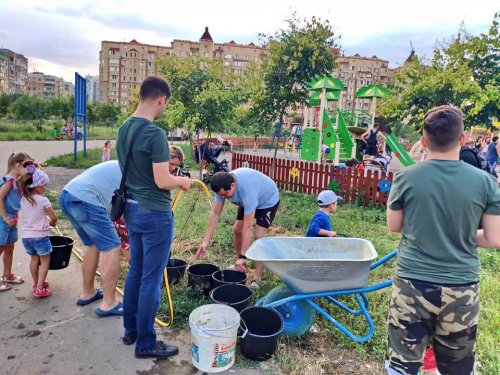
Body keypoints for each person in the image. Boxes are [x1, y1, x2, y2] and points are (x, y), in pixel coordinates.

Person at [385, 105, 500, 375]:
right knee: (457, 367)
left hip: (412, 284)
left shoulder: (405, 177)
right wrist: (459, 233)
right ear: (462, 139)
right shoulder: (485, 182)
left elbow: (394, 226)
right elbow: (495, 238)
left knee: (403, 361)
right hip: (461, 287)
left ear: (424, 141)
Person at [116, 76, 191, 358]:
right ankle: (146, 343)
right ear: (161, 99)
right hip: (154, 213)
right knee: (151, 279)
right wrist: (181, 182)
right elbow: (162, 180)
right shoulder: (155, 134)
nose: (163, 109)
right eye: (165, 104)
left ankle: (131, 330)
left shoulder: (123, 128)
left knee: (135, 272)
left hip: (131, 210)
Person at [60, 161, 124, 316]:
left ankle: (88, 292)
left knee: (93, 244)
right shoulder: (138, 172)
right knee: (112, 246)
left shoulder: (121, 163)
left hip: (68, 195)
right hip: (87, 199)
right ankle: (109, 303)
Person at [196, 168, 279, 287]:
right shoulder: (221, 186)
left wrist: (244, 255)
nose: (223, 197)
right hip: (247, 201)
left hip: (267, 201)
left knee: (259, 236)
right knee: (237, 229)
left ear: (233, 185)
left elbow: (248, 226)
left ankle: (257, 277)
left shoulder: (248, 189)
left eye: (225, 194)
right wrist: (205, 242)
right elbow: (215, 215)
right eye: (220, 195)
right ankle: (240, 265)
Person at [18, 166, 57, 298]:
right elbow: (54, 217)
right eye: (44, 185)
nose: (45, 188)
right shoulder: (43, 200)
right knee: (44, 262)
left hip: (26, 237)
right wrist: (52, 223)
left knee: (34, 260)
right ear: (37, 187)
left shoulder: (23, 199)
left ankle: (36, 284)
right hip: (40, 237)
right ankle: (40, 289)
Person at [0, 152, 34, 291]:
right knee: (1, 247)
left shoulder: (17, 181)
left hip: (12, 219)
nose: (29, 170)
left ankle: (7, 275)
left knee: (9, 247)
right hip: (4, 219)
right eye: (27, 166)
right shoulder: (9, 180)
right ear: (18, 165)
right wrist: (5, 218)